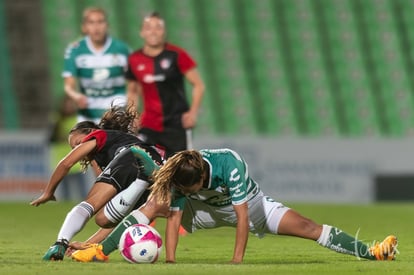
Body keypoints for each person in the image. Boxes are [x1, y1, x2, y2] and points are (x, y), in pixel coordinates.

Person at [71, 149, 398, 263]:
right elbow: (172, 218)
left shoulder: (230, 165)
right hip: (202, 212)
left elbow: (242, 217)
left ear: (202, 177)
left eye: (190, 187)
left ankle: (372, 252)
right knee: (156, 203)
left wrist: (236, 260)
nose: (186, 189)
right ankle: (97, 251)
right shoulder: (181, 171)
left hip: (251, 208)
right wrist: (169, 259)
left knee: (308, 227)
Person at [31, 106, 164, 261]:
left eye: (78, 143)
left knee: (90, 204)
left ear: (89, 132)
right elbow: (115, 223)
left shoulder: (100, 135)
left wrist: (48, 192)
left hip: (131, 155)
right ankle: (143, 179)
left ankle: (59, 243)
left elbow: (66, 164)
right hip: (156, 170)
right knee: (104, 219)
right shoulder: (107, 155)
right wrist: (87, 245)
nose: (76, 149)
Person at [126, 11, 205, 158]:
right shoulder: (134, 59)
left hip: (177, 124)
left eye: (158, 27)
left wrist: (192, 113)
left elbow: (199, 85)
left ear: (164, 31)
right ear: (142, 32)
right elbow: (133, 91)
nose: (153, 32)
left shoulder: (177, 54)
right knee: (143, 166)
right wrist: (132, 116)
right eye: (149, 27)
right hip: (149, 124)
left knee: (181, 170)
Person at [63, 7, 136, 124]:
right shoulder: (75, 50)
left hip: (116, 113)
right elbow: (68, 86)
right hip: (88, 114)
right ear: (85, 27)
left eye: (100, 22)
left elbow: (133, 85)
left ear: (107, 25)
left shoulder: (122, 49)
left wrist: (132, 112)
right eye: (91, 23)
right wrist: (76, 96)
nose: (96, 27)